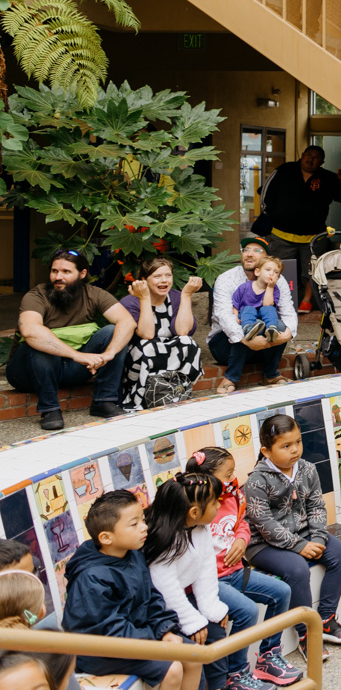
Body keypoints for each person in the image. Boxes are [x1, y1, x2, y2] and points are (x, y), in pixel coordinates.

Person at [181, 448, 303, 687]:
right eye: (227, 475)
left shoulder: (232, 497)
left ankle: (268, 657)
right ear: (207, 479)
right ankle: (236, 673)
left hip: (235, 572)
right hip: (210, 582)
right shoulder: (196, 506)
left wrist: (241, 539)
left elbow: (242, 523)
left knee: (281, 592)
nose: (232, 479)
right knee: (247, 611)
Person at [63, 492, 205, 690]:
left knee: (195, 656)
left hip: (137, 637)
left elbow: (152, 597)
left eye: (143, 520)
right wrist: (155, 640)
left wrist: (164, 631)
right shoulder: (91, 577)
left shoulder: (133, 554)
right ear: (106, 537)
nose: (144, 527)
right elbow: (109, 630)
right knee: (172, 669)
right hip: (100, 651)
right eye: (134, 524)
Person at [245, 415, 341, 661]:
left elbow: (317, 506)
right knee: (296, 569)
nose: (294, 450)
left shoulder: (307, 469)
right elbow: (264, 523)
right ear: (266, 450)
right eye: (285, 446)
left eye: (298, 442)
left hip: (304, 532)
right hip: (262, 543)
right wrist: (299, 546)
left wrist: (317, 537)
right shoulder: (256, 481)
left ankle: (325, 619)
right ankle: (306, 633)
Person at [8, 249, 133, 430]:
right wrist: (76, 355)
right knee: (37, 345)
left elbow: (127, 322)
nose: (58, 277)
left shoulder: (94, 294)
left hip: (70, 371)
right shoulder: (36, 296)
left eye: (66, 272)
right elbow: (30, 330)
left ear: (82, 274)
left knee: (112, 331)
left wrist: (109, 353)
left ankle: (103, 401)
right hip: (27, 373)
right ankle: (50, 409)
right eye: (54, 271)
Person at [141, 474, 236, 690]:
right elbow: (166, 588)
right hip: (161, 609)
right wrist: (191, 621)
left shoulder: (199, 528)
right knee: (196, 646)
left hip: (182, 599)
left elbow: (205, 568)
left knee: (216, 629)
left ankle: (219, 686)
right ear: (194, 512)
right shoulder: (165, 539)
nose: (218, 507)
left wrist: (211, 606)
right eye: (214, 503)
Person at [256, 145, 341, 315]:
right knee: (278, 268)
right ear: (302, 156)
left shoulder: (327, 178)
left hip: (313, 235)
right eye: (308, 155)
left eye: (316, 157)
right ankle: (278, 300)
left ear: (322, 162)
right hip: (281, 232)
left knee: (310, 270)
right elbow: (265, 192)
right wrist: (268, 213)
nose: (310, 159)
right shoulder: (284, 170)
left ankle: (306, 301)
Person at [210, 237, 296, 395]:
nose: (249, 254)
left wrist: (288, 334)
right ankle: (231, 378)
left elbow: (288, 311)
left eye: (257, 251)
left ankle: (270, 375)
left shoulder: (277, 279)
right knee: (244, 324)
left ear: (266, 258)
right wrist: (246, 339)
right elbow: (224, 316)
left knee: (279, 325)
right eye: (246, 250)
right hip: (224, 345)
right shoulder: (226, 279)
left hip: (262, 344)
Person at [118, 258, 201, 412]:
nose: (164, 280)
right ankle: (142, 396)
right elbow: (147, 334)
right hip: (140, 357)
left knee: (188, 342)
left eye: (168, 275)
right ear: (144, 280)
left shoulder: (176, 297)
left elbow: (183, 331)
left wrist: (186, 295)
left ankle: (178, 388)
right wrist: (144, 298)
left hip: (169, 356)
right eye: (157, 276)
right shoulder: (131, 301)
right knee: (147, 346)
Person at [231, 255, 288, 343]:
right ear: (257, 272)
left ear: (278, 278)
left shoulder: (274, 289)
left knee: (269, 309)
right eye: (268, 270)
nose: (271, 273)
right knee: (248, 308)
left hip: (264, 317)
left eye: (276, 272)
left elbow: (267, 304)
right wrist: (235, 316)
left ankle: (271, 329)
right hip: (247, 316)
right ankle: (248, 329)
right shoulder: (244, 287)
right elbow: (236, 303)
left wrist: (270, 287)